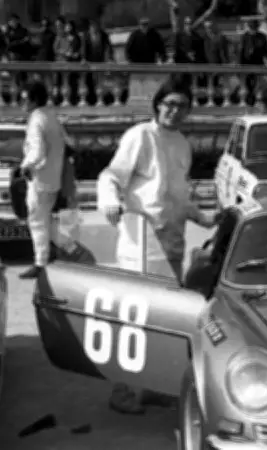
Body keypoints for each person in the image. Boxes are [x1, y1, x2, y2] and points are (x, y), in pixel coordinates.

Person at [98, 78, 216, 413]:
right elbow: (111, 176)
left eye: (182, 106)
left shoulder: (182, 144)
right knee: (134, 319)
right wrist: (110, 201)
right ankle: (122, 391)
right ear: (158, 105)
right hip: (141, 242)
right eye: (170, 104)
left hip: (172, 242)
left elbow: (178, 196)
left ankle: (151, 387)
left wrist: (202, 217)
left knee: (163, 320)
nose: (175, 111)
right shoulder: (140, 136)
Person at [18, 81, 68, 279]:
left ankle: (40, 263)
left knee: (37, 221)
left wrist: (25, 166)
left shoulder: (36, 120)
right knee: (47, 220)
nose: (22, 103)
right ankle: (56, 255)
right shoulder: (51, 117)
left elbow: (37, 151)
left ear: (34, 100)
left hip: (39, 179)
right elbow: (66, 143)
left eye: (24, 99)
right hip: (53, 177)